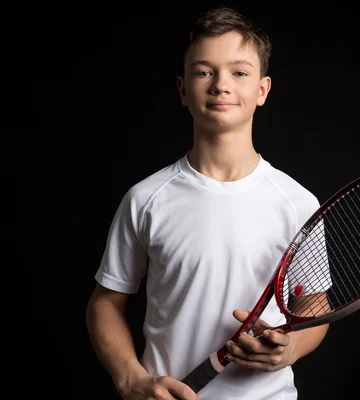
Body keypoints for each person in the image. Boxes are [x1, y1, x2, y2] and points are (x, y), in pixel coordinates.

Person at [85, 6, 331, 400]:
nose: (220, 85)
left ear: (262, 90)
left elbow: (313, 304)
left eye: (239, 72)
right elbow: (106, 304)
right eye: (204, 71)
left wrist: (292, 348)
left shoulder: (296, 202)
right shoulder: (147, 199)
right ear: (183, 90)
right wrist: (131, 378)